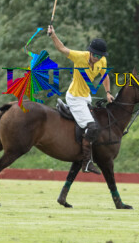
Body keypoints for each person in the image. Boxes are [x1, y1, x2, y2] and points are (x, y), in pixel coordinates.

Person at [48, 25, 115, 174]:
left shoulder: (102, 61)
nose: (97, 58)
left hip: (86, 97)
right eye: (95, 55)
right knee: (92, 127)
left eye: (100, 56)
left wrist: (108, 93)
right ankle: (86, 162)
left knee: (99, 125)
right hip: (75, 97)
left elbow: (105, 76)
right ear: (90, 52)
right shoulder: (79, 57)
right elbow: (62, 49)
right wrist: (53, 35)